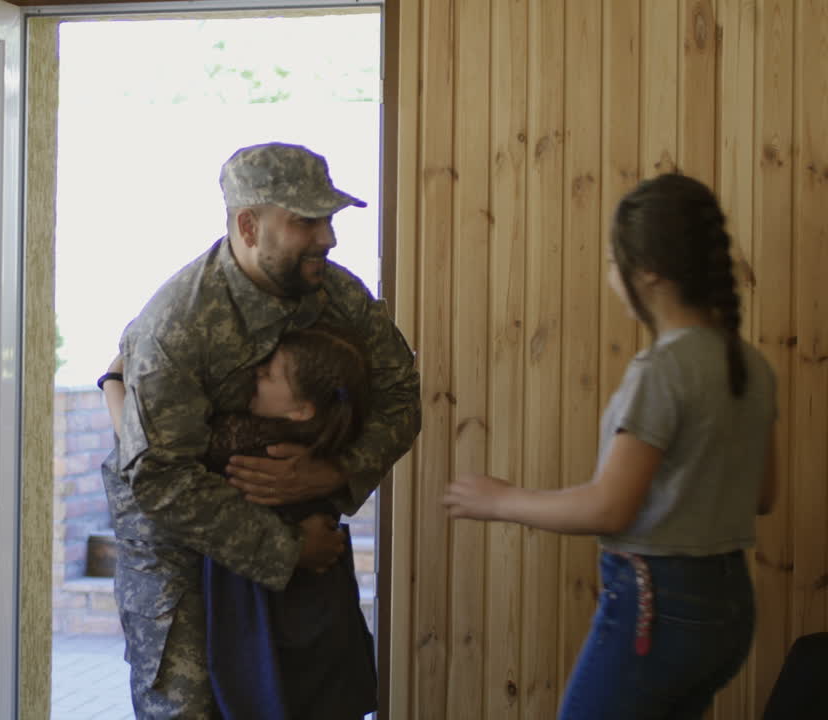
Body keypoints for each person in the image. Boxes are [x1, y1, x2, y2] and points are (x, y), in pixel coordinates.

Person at [99, 142, 422, 717]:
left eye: (329, 219)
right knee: (187, 706)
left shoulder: (334, 291)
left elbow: (401, 394)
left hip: (294, 534)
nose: (328, 237)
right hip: (176, 546)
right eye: (307, 221)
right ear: (249, 226)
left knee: (303, 698)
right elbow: (160, 479)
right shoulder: (178, 325)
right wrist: (288, 549)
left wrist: (333, 472)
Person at [442, 172, 778, 720]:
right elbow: (761, 496)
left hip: (659, 607)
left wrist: (499, 500)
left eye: (608, 259)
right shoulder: (753, 366)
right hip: (731, 608)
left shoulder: (661, 371)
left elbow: (609, 507)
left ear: (647, 272)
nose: (608, 274)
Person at [106, 324, 379, 720]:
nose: (256, 372)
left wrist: (112, 380)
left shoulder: (248, 441)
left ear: (300, 408)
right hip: (318, 611)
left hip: (275, 615)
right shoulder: (319, 435)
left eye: (270, 373)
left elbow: (145, 450)